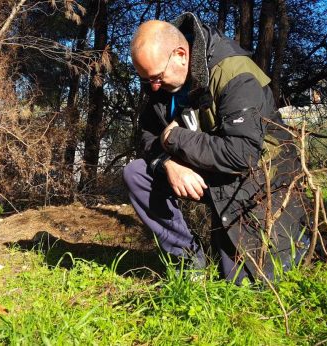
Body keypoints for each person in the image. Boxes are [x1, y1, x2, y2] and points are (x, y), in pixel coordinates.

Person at [123, 12, 311, 284]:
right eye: (146, 80)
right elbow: (146, 136)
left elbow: (241, 154)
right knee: (137, 173)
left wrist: (175, 138)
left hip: (258, 179)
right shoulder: (161, 84)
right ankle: (188, 260)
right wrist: (168, 163)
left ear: (181, 55)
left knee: (242, 284)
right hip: (212, 169)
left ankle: (272, 248)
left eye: (157, 77)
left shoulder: (236, 73)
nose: (153, 86)